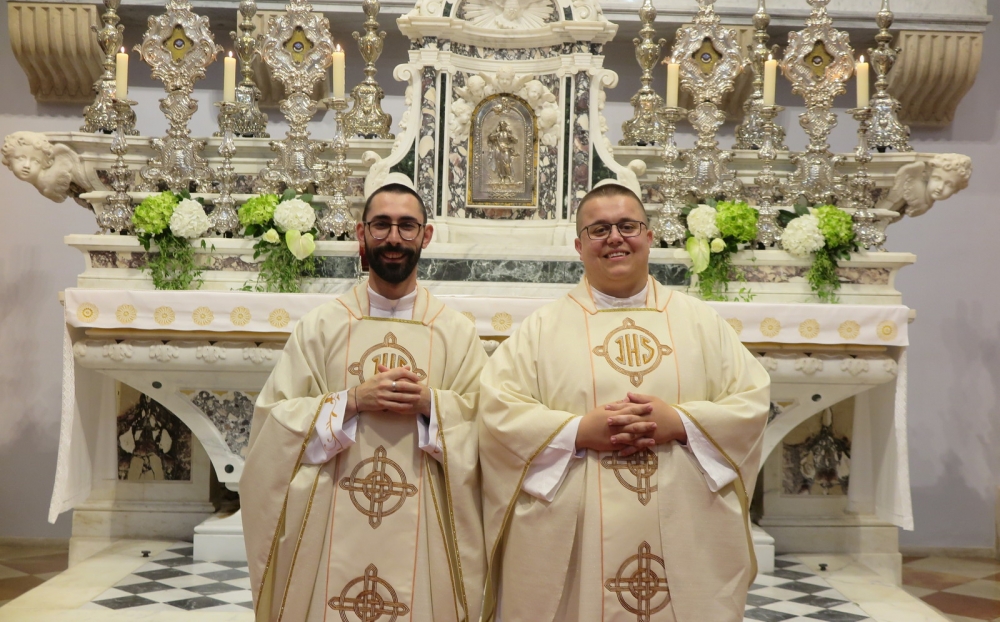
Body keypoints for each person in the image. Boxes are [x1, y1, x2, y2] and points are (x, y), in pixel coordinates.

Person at [478, 181, 771, 622]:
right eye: (598, 230)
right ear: (579, 246)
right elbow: (498, 410)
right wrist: (576, 432)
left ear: (649, 237)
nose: (615, 238)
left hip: (685, 526)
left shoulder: (700, 322)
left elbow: (751, 400)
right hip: (578, 537)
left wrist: (682, 422)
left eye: (627, 226)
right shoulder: (542, 328)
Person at [241, 179, 487, 622]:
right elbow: (273, 424)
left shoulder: (455, 333)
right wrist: (350, 400)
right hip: (332, 513)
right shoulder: (322, 327)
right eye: (382, 225)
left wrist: (433, 404)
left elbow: (489, 427)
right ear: (361, 233)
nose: (394, 238)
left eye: (407, 226)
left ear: (425, 236)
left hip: (426, 524)